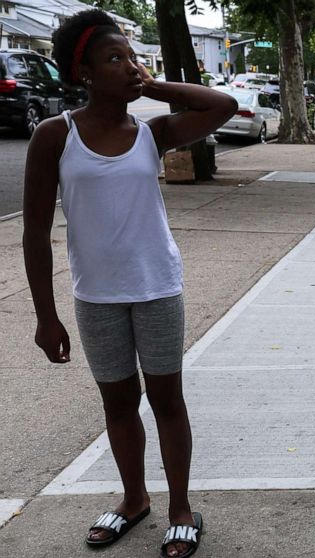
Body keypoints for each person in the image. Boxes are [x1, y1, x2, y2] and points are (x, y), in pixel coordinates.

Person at [22, 9, 236, 558]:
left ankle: (181, 509)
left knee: (167, 400)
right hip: (97, 297)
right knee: (118, 403)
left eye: (132, 57)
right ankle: (134, 499)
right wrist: (45, 316)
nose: (129, 67)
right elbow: (35, 232)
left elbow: (223, 106)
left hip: (157, 287)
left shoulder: (152, 132)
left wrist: (154, 83)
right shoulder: (54, 136)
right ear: (85, 73)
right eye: (115, 59)